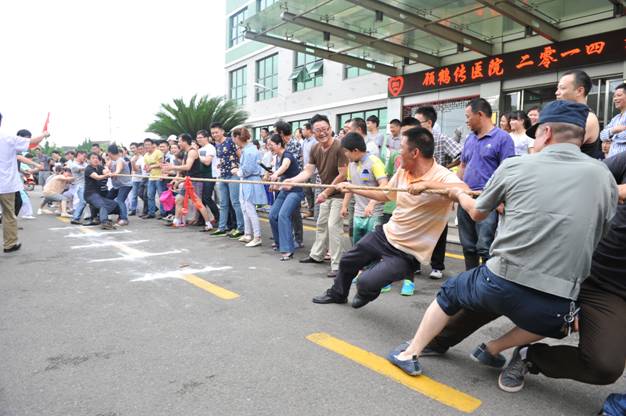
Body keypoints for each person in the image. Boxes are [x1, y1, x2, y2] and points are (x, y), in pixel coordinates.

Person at [387, 101, 618, 381]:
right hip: (556, 302)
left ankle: (410, 352)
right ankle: (492, 348)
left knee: (450, 292)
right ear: (580, 137)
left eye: (536, 135)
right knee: (553, 321)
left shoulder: (516, 165)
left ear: (546, 132)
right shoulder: (604, 176)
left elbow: (477, 212)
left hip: (499, 283)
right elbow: (601, 232)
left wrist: (458, 195)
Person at [312, 127, 468, 308]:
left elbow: (465, 190)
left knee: (365, 282)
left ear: (415, 153)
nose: (397, 152)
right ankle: (338, 293)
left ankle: (367, 290)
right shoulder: (403, 171)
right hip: (386, 235)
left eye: (401, 148)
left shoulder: (441, 175)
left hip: (407, 252)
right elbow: (385, 194)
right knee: (348, 260)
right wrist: (352, 187)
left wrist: (427, 184)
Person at [457, 98, 515, 270]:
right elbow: (463, 166)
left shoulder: (503, 138)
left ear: (480, 115)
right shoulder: (469, 139)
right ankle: (470, 280)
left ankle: (485, 282)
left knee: (485, 246)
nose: (466, 121)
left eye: (468, 116)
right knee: (468, 246)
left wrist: (501, 200)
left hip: (488, 200)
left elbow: (508, 171)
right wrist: (457, 190)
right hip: (466, 198)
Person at [289, 114, 349, 278]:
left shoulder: (340, 147)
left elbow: (343, 174)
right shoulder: (315, 148)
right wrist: (291, 180)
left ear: (330, 129)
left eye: (325, 129)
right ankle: (317, 255)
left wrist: (325, 192)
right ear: (312, 132)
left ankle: (337, 265)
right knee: (321, 224)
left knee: (333, 227)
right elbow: (308, 171)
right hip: (325, 193)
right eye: (318, 130)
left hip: (339, 193)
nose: (322, 133)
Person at [415, 106, 462, 280]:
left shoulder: (441, 139)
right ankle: (415, 264)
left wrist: (447, 169)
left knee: (439, 230)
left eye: (418, 122)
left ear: (429, 122)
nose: (416, 125)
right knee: (417, 229)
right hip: (418, 189)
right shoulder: (415, 140)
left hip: (438, 191)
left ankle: (437, 266)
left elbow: (461, 154)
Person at [0, 114, 48, 252]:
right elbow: (33, 142)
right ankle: (9, 244)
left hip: (6, 184)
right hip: (5, 185)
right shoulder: (7, 138)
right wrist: (44, 134)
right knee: (9, 214)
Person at [340, 132, 388, 245]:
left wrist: (372, 203)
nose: (346, 154)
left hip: (374, 213)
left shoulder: (374, 162)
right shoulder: (351, 165)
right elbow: (350, 187)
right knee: (357, 246)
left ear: (355, 150)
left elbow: (384, 185)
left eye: (346, 151)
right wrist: (344, 206)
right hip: (358, 212)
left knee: (372, 247)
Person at [162, 133, 213, 231]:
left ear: (185, 142)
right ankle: (176, 221)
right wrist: (177, 179)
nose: (178, 144)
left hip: (195, 181)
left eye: (180, 141)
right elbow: (183, 170)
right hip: (188, 180)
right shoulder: (186, 152)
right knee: (178, 199)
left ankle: (208, 224)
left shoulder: (192, 152)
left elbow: (187, 167)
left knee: (198, 203)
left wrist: (172, 167)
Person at [268, 134, 303, 260]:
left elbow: (285, 166)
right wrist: (275, 184)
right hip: (284, 190)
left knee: (283, 215)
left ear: (279, 144)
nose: (269, 147)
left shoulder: (287, 155)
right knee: (272, 215)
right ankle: (279, 243)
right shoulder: (277, 157)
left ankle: (287, 249)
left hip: (295, 191)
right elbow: (283, 176)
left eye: (271, 145)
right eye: (268, 145)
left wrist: (276, 174)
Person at [231, 127, 266, 246]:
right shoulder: (248, 149)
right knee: (245, 208)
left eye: (233, 137)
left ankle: (257, 236)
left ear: (237, 137)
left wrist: (236, 171)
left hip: (250, 181)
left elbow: (247, 170)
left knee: (250, 209)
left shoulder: (250, 151)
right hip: (246, 181)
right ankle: (248, 234)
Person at [556, 70, 601, 158]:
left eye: (562, 88)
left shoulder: (588, 119)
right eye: (557, 88)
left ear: (579, 91)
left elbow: (560, 153)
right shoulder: (566, 115)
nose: (557, 92)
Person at [211, 122, 245, 238]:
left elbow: (241, 156)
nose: (214, 135)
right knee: (223, 203)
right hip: (223, 176)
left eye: (216, 132)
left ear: (222, 131)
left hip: (233, 175)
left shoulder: (231, 141)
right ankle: (222, 228)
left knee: (235, 203)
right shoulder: (217, 144)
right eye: (212, 133)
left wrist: (240, 170)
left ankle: (241, 229)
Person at [274, 120, 303, 248]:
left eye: (275, 132)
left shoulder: (293, 145)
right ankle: (286, 236)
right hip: (283, 181)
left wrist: (278, 176)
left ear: (281, 132)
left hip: (295, 181)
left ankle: (298, 239)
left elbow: (289, 165)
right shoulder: (281, 145)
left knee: (294, 212)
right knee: (284, 212)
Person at [83, 153, 118, 230]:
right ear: (88, 160)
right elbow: (97, 177)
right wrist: (106, 175)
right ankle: (104, 222)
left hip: (98, 194)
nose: (95, 159)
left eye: (97, 158)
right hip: (90, 194)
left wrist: (109, 173)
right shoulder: (88, 169)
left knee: (114, 204)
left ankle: (97, 217)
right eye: (93, 158)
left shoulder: (99, 167)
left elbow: (105, 171)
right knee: (102, 205)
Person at [196, 129, 220, 224]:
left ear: (207, 138)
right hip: (201, 175)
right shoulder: (199, 149)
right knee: (201, 198)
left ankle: (218, 217)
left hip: (210, 175)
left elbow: (207, 162)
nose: (198, 139)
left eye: (201, 137)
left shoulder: (210, 148)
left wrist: (197, 157)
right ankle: (202, 219)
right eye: (197, 138)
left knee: (207, 197)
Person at [107, 144, 132, 226]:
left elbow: (118, 170)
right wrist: (107, 170)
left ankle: (124, 219)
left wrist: (115, 173)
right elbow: (106, 168)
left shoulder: (120, 160)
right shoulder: (112, 161)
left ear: (109, 153)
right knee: (107, 198)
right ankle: (109, 214)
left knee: (120, 200)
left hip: (125, 185)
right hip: (117, 186)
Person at [600, 82, 626, 157]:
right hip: (613, 158)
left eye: (619, 95)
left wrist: (611, 135)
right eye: (614, 96)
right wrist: (613, 130)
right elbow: (602, 136)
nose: (615, 99)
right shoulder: (615, 118)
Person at [141, 138, 165, 219]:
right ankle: (151, 213)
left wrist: (151, 166)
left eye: (148, 145)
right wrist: (147, 168)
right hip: (151, 177)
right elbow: (147, 167)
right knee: (150, 195)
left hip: (159, 177)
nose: (147, 146)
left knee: (161, 196)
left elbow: (161, 164)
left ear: (152, 145)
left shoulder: (158, 152)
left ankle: (163, 213)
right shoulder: (145, 155)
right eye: (145, 145)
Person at [301, 122, 317, 218]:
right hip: (306, 171)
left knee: (315, 191)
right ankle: (311, 210)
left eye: (303, 129)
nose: (302, 131)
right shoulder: (304, 142)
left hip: (315, 171)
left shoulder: (315, 142)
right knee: (307, 191)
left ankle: (316, 211)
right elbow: (303, 156)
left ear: (309, 130)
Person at [129, 142, 148, 217]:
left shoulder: (142, 157)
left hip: (142, 179)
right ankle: (133, 210)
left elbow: (137, 169)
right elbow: (133, 170)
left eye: (134, 148)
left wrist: (133, 163)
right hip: (134, 179)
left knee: (142, 194)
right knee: (134, 195)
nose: (132, 150)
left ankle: (148, 209)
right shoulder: (132, 158)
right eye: (131, 148)